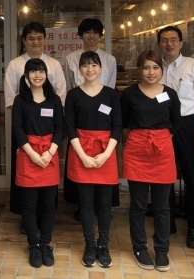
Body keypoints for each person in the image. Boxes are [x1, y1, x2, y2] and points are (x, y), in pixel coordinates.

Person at [121, 50, 180, 272]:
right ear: (139, 70)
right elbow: (123, 123)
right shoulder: (129, 94)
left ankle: (162, 250)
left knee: (162, 206)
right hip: (137, 151)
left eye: (155, 67)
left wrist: (161, 139)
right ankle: (139, 248)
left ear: (161, 70)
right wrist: (138, 140)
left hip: (162, 152)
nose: (151, 72)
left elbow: (176, 123)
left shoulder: (170, 94)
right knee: (137, 205)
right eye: (146, 67)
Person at [158, 26, 194, 249]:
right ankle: (168, 221)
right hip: (162, 125)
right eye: (165, 40)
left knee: (192, 175)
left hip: (187, 123)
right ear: (159, 44)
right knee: (164, 175)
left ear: (181, 43)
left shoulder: (193, 65)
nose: (169, 44)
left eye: (173, 40)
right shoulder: (156, 65)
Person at [5, 22, 67, 230]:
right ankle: (26, 216)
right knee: (25, 175)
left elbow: (60, 95)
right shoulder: (15, 65)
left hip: (48, 130)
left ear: (45, 40)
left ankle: (45, 215)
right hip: (24, 127)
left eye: (39, 38)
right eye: (31, 38)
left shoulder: (54, 64)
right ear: (24, 40)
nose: (35, 42)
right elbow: (12, 97)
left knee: (47, 175)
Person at [65, 51, 121, 268]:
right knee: (86, 203)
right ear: (79, 69)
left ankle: (103, 245)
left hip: (106, 150)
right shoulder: (73, 95)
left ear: (101, 68)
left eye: (94, 65)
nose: (90, 69)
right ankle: (90, 245)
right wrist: (83, 156)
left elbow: (117, 125)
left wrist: (106, 154)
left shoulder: (111, 94)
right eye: (85, 65)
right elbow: (70, 127)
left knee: (105, 204)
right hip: (81, 151)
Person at [63, 18, 119, 217]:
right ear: (81, 35)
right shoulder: (71, 58)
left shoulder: (109, 60)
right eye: (87, 32)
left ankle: (101, 206)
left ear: (100, 35)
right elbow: (69, 86)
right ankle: (81, 205)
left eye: (95, 32)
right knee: (80, 165)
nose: (91, 36)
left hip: (103, 117)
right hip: (80, 113)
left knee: (103, 167)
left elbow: (110, 87)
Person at [12, 58, 64, 268]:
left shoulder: (54, 99)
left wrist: (50, 152)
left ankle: (45, 244)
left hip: (49, 155)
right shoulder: (20, 100)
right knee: (29, 205)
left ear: (46, 75)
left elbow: (60, 128)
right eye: (33, 72)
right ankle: (33, 244)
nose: (37, 75)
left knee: (49, 205)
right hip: (28, 155)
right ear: (26, 76)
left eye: (41, 71)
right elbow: (17, 128)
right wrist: (32, 154)